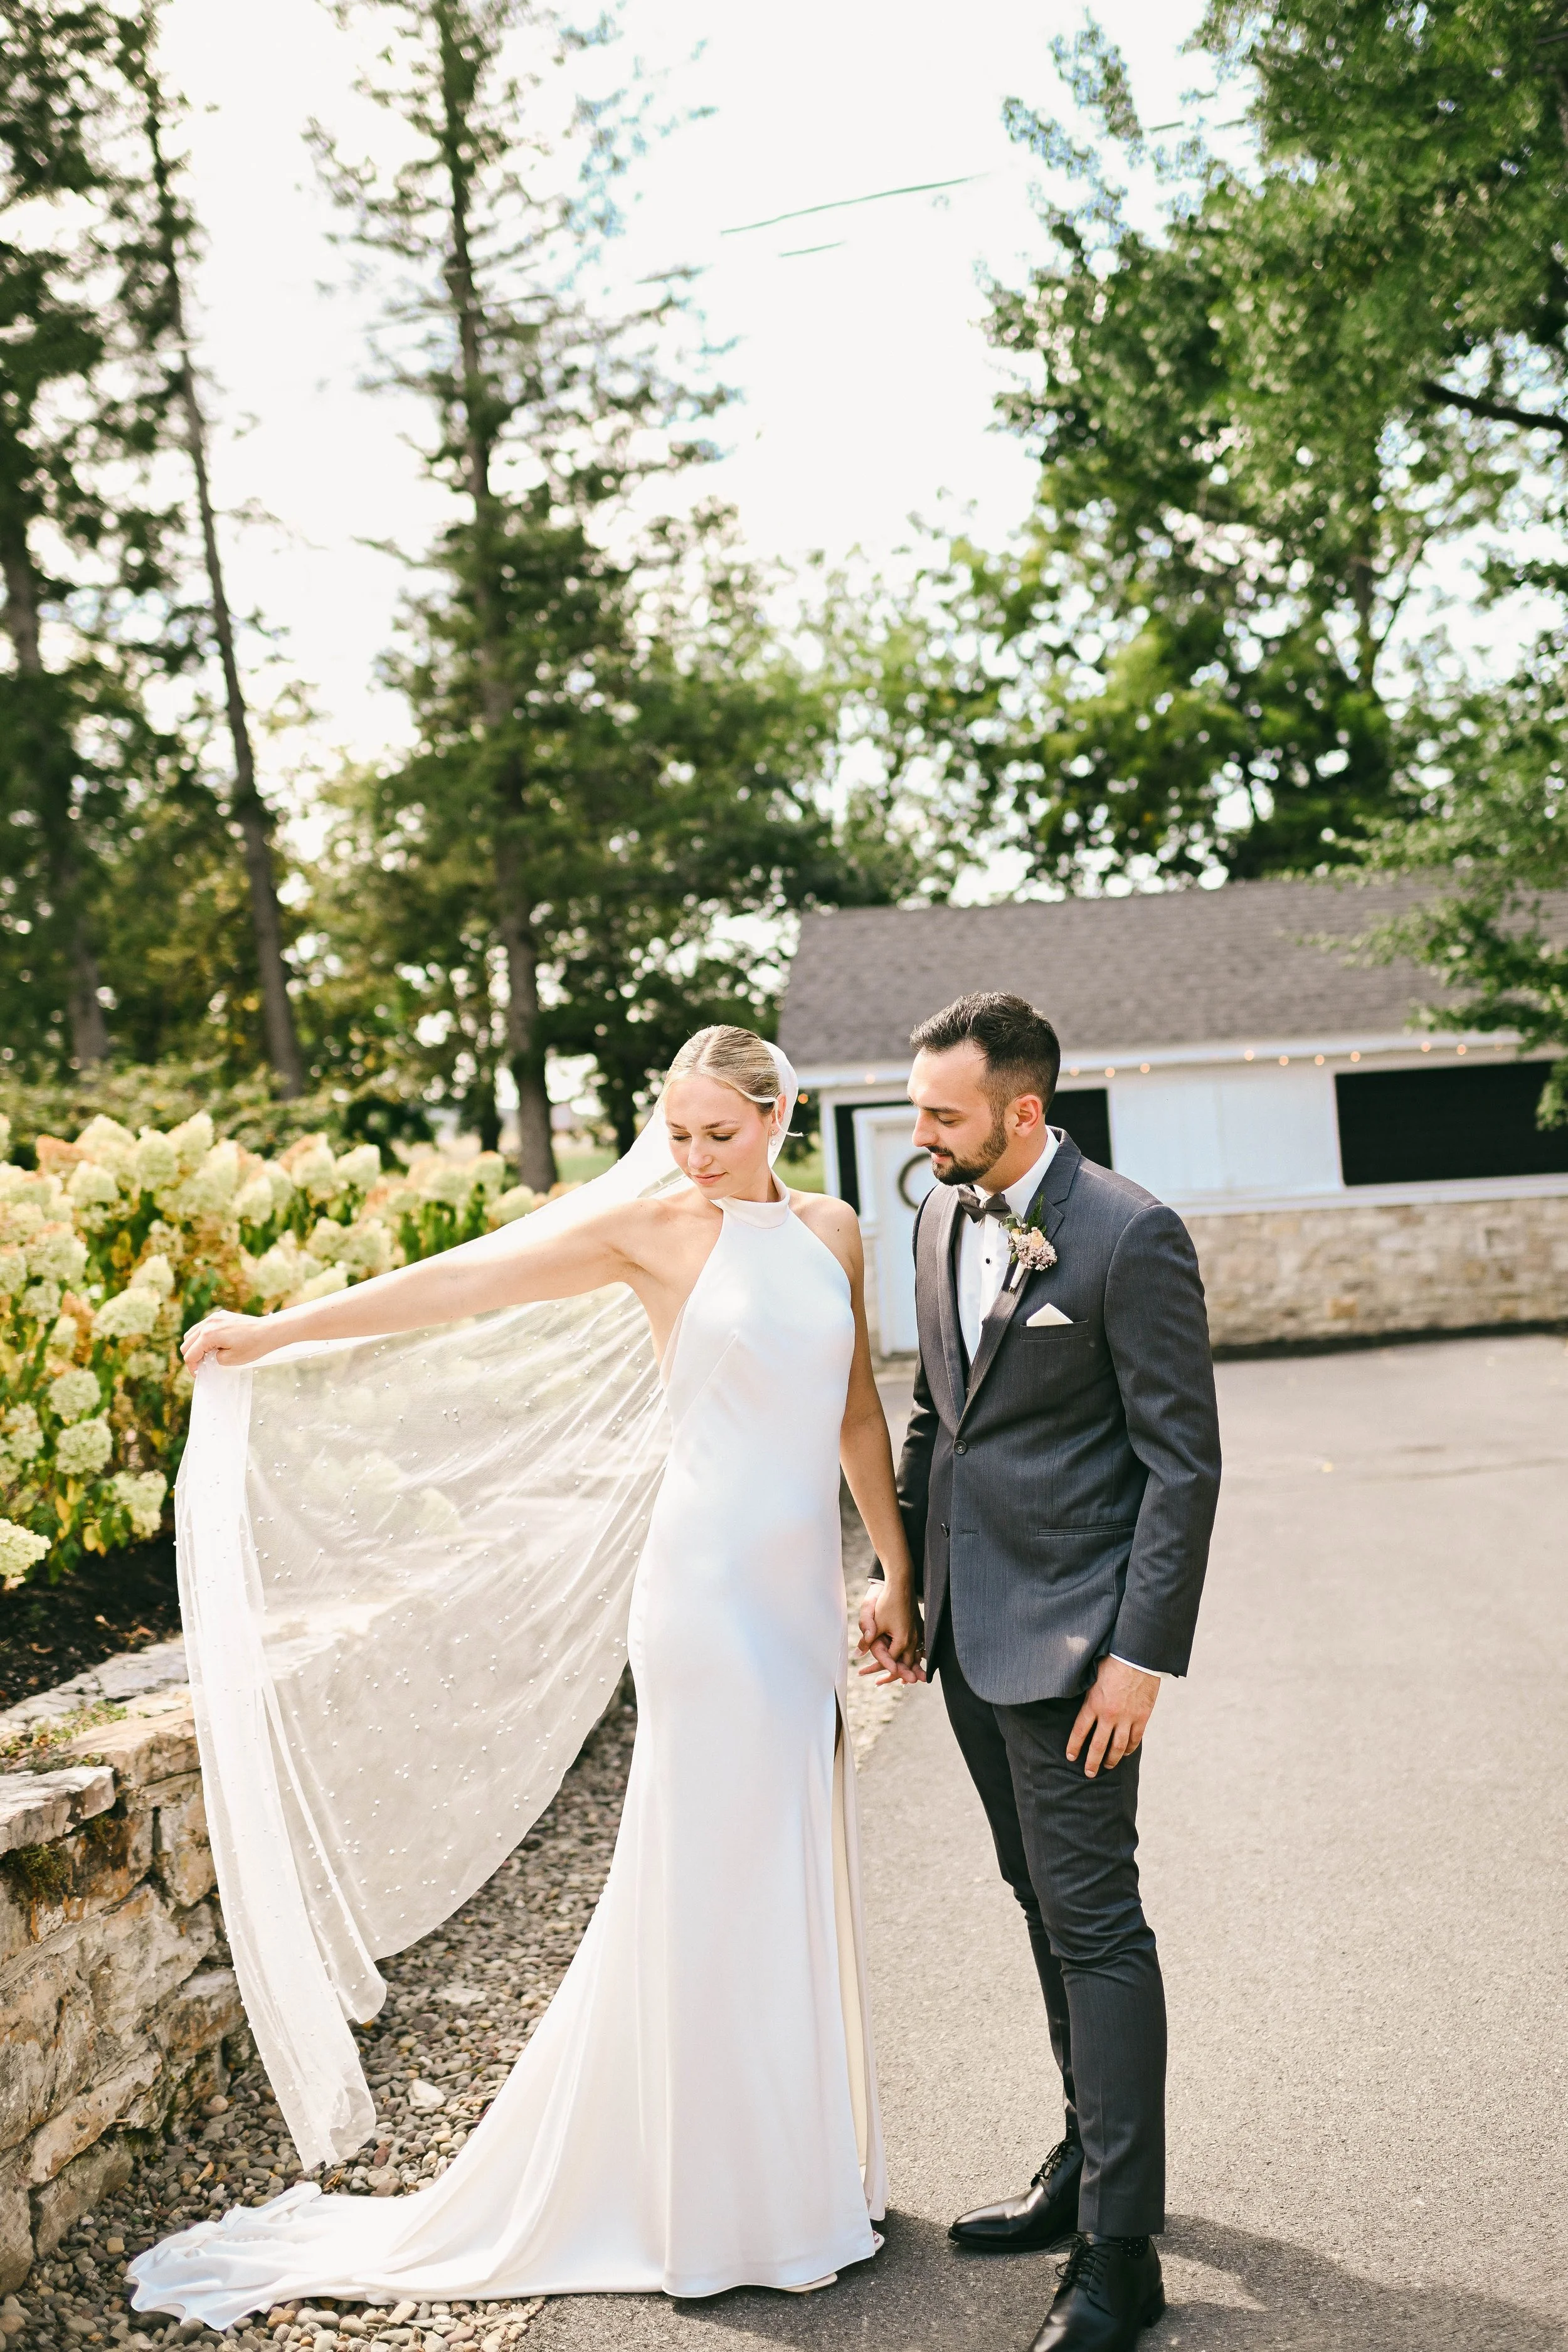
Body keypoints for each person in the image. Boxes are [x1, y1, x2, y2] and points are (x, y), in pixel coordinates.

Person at [129, 1027, 923, 2330]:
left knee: (785, 1863)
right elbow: (462, 1286)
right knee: (706, 1876)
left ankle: (793, 2169)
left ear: (779, 1116)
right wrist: (273, 1333)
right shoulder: (652, 1231)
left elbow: (849, 1414)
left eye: (718, 1133)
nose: (691, 1156)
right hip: (703, 1597)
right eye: (674, 1132)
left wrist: (895, 1573)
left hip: (792, 1600)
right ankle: (716, 2204)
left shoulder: (832, 1230)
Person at [859, 991, 1221, 2352]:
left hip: (1079, 1645)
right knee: (1035, 1901)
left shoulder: (1130, 1235)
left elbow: (1181, 1465)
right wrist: (901, 1583)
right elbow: (931, 1410)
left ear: (1022, 1111)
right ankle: (1089, 2161)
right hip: (965, 1630)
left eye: (941, 1114)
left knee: (1095, 1924)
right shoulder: (938, 1213)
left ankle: (1119, 2259)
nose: (918, 1134)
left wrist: (1137, 1657)